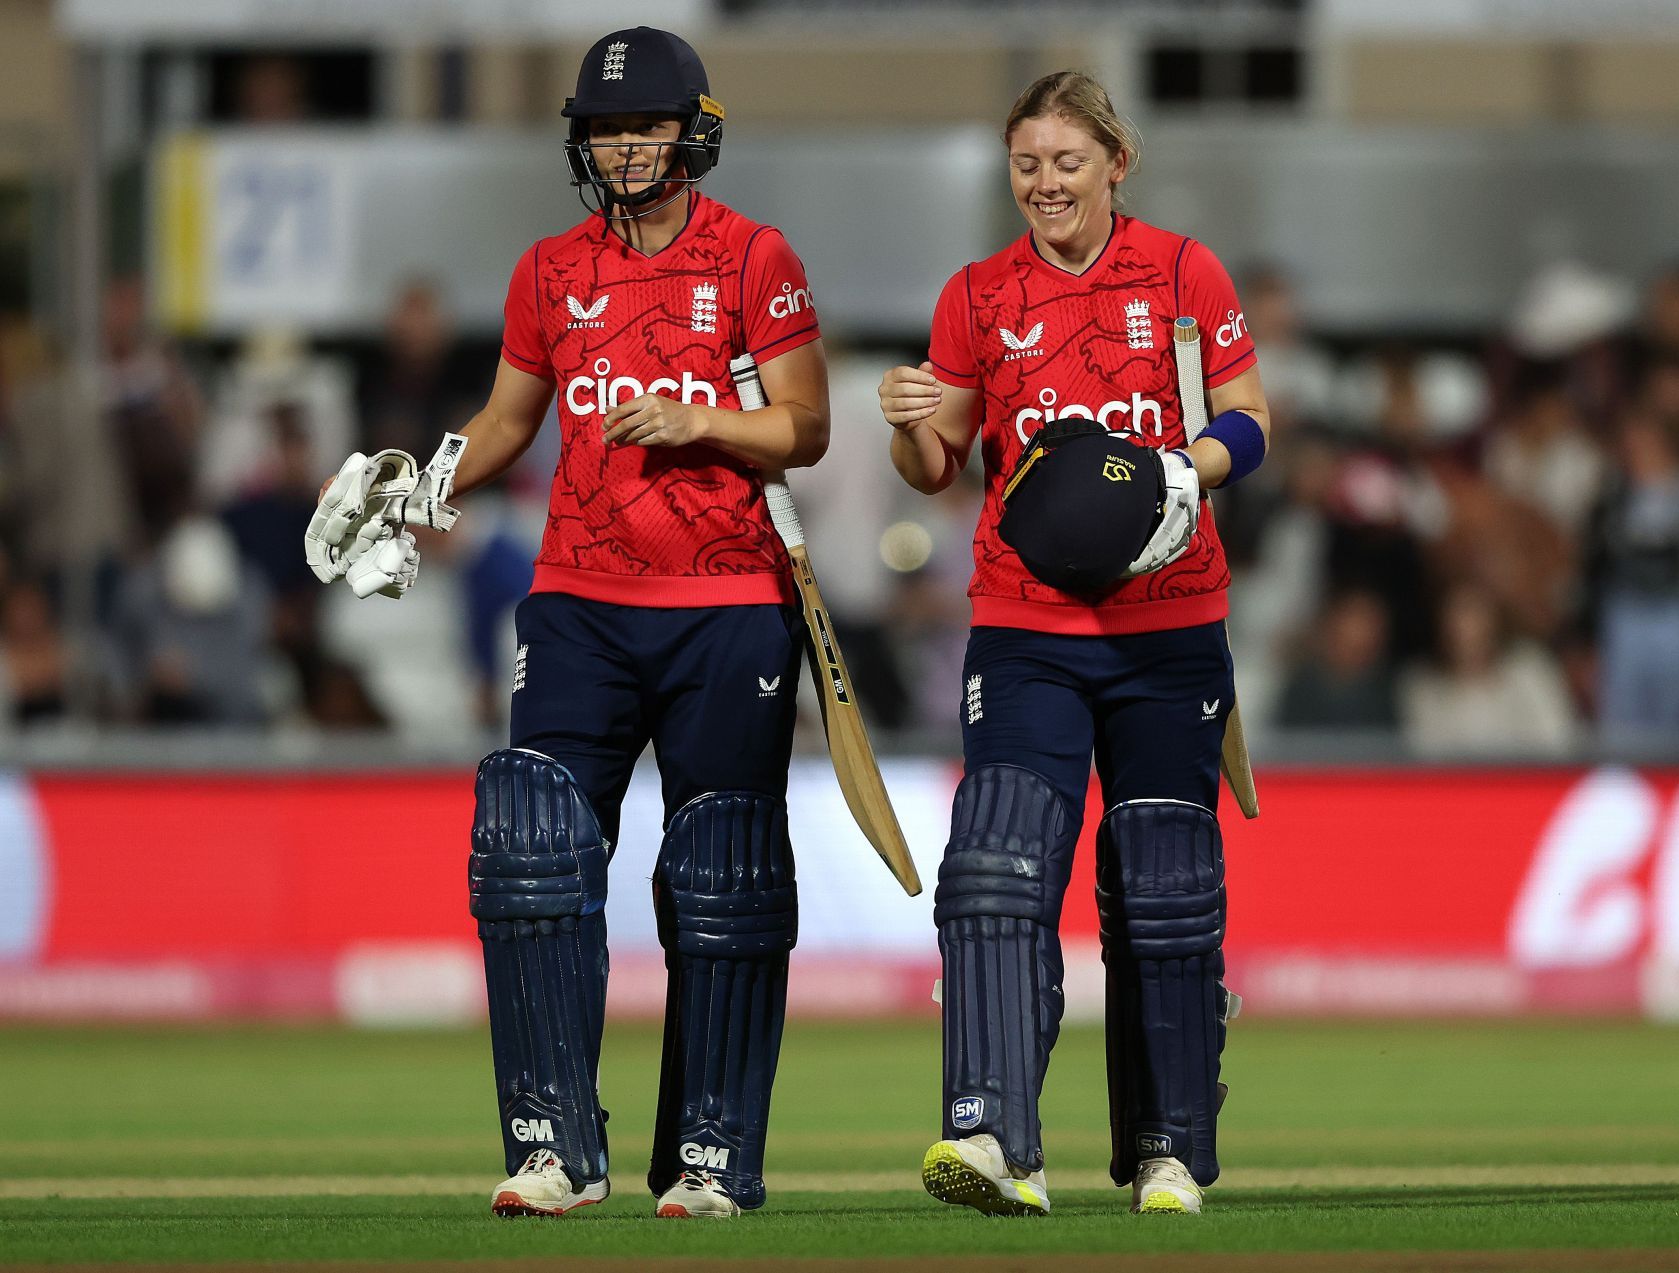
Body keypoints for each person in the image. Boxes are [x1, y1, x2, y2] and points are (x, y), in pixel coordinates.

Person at [304, 27, 828, 1220]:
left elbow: (805, 426)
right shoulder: (550, 270)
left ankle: (712, 1157)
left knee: (724, 875)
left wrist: (695, 424)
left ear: (694, 126)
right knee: (533, 847)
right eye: (604, 126)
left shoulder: (754, 257)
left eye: (644, 124)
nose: (624, 145)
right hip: (582, 602)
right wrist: (426, 482)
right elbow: (506, 418)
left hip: (728, 604)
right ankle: (555, 1145)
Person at [878, 71, 1269, 1218]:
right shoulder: (975, 295)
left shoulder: (1185, 272)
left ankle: (1166, 1150)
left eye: (1066, 162)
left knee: (1163, 889)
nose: (1044, 183)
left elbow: (1249, 417)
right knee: (996, 866)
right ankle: (994, 1138)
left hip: (1170, 624)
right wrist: (910, 428)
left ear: (1115, 163)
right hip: (1023, 627)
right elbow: (939, 466)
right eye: (1027, 164)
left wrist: (1173, 472)